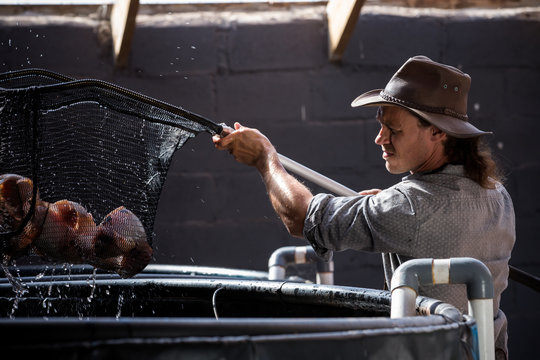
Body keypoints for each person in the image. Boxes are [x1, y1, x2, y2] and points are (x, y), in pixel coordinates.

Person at [212, 55, 515, 359]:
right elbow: (438, 220)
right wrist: (386, 205)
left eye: (393, 129)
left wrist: (265, 158)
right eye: (381, 125)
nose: (379, 138)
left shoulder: (409, 206)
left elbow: (300, 218)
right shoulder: (496, 194)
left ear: (438, 132)